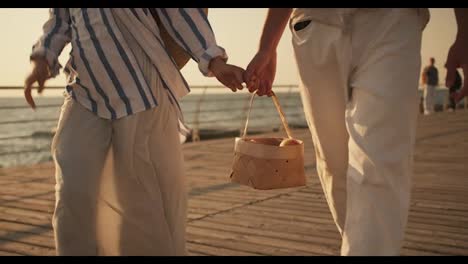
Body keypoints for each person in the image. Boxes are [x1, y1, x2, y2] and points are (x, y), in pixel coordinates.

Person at [244, 8, 468, 255]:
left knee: (378, 164)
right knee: (334, 166)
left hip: (393, 20)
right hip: (314, 23)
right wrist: (267, 46)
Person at [24, 8, 244, 256]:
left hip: (141, 88)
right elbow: (59, 21)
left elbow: (179, 14)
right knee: (72, 189)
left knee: (140, 197)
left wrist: (215, 61)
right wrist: (42, 60)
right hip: (85, 89)